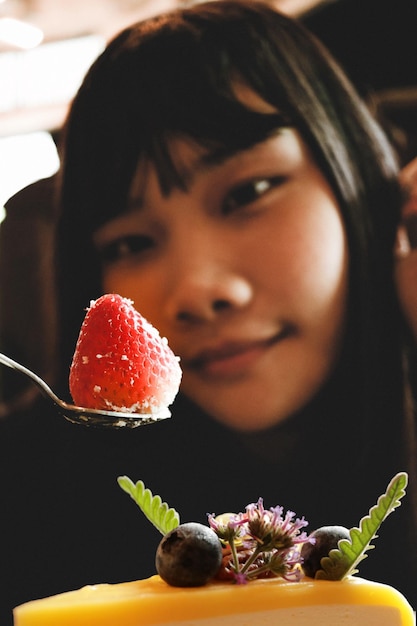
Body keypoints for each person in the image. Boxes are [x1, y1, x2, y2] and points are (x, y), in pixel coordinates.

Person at [1, 1, 416, 623]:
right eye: (131, 243)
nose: (196, 291)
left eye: (249, 192)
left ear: (356, 171)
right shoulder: (29, 497)